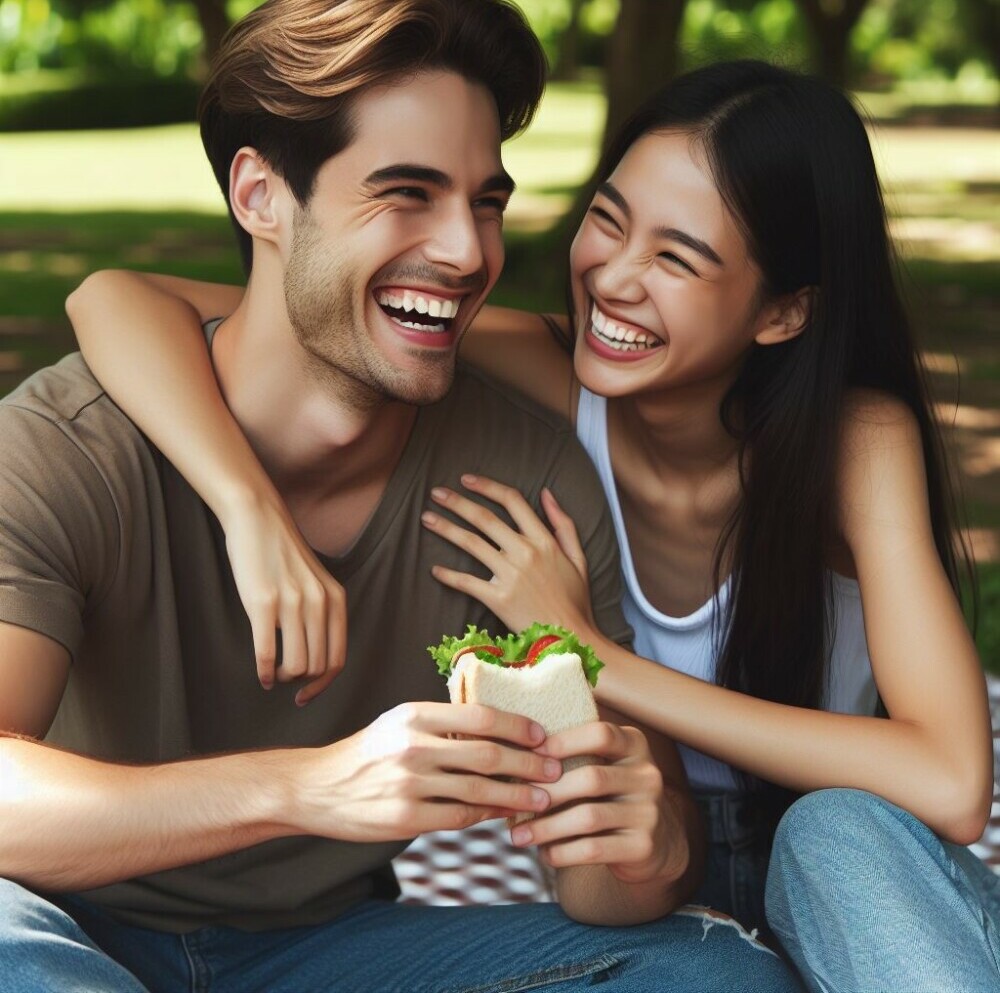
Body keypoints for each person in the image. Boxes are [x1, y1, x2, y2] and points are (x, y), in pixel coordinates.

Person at [67, 54, 1000, 992]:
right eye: (608, 219)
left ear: (785, 310)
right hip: (649, 877)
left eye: (677, 257)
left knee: (827, 829)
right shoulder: (544, 372)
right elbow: (116, 298)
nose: (614, 278)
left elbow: (951, 781)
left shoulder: (854, 442)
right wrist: (248, 508)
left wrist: (597, 653)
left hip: (856, 886)